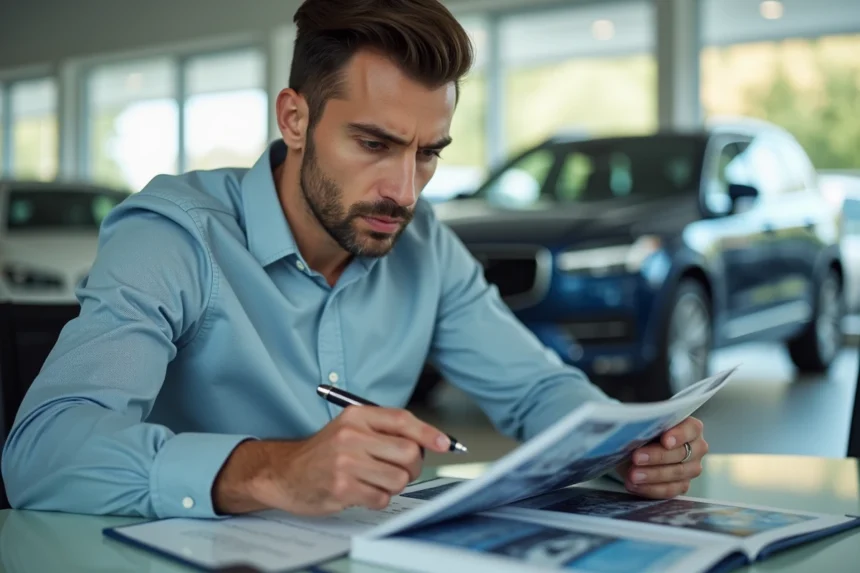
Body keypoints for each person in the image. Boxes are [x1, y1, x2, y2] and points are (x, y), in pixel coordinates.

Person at [0, 0, 708, 519]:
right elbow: (43, 455)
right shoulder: (175, 236)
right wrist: (273, 469)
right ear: (295, 119)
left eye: (428, 152)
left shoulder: (425, 243)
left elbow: (534, 393)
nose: (405, 191)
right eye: (374, 144)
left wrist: (626, 442)